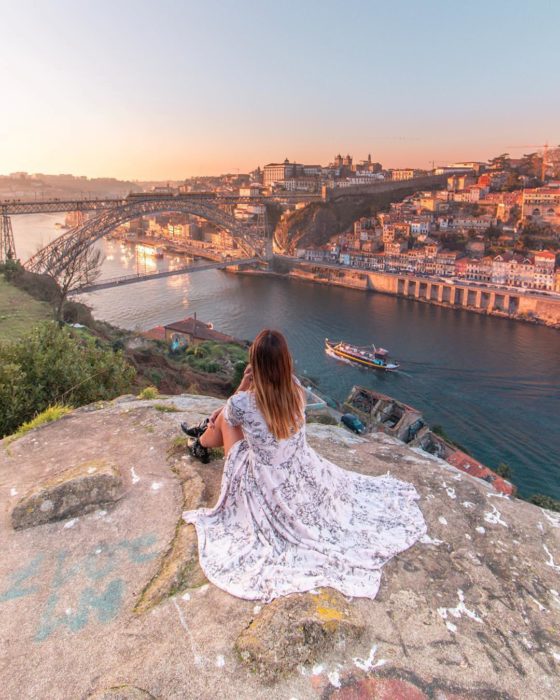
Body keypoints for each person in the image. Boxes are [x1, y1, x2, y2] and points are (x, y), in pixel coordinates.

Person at [182, 329, 426, 602]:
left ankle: (200, 442)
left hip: (259, 476)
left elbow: (229, 411)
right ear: (285, 361)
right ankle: (200, 437)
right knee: (223, 417)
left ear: (256, 364)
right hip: (296, 467)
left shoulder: (244, 401)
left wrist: (244, 383)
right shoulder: (296, 390)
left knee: (224, 420)